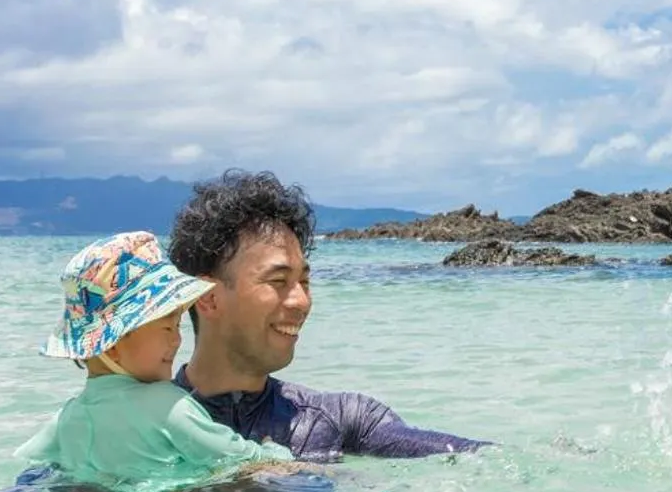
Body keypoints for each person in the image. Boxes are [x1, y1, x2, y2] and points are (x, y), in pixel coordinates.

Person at [166, 170, 487, 462]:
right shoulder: (150, 427)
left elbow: (482, 460)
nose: (302, 301)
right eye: (278, 281)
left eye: (304, 282)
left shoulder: (336, 420)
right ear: (208, 298)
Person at [18, 231, 301, 492]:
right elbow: (233, 455)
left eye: (177, 325)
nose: (177, 339)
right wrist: (274, 452)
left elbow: (31, 469)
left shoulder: (67, 418)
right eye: (167, 327)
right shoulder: (167, 404)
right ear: (112, 345)